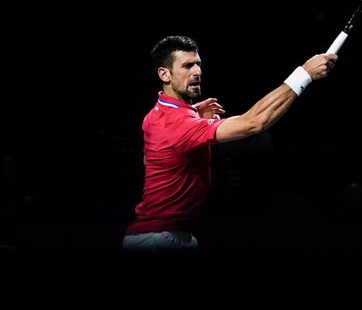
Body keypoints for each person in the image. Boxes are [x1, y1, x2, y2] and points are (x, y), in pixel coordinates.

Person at [122, 35, 337, 252]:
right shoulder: (178, 123)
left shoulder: (156, 114)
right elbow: (254, 122)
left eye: (198, 64)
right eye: (187, 66)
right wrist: (304, 74)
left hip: (164, 236)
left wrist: (195, 115)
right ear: (164, 74)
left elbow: (150, 158)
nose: (197, 72)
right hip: (158, 242)